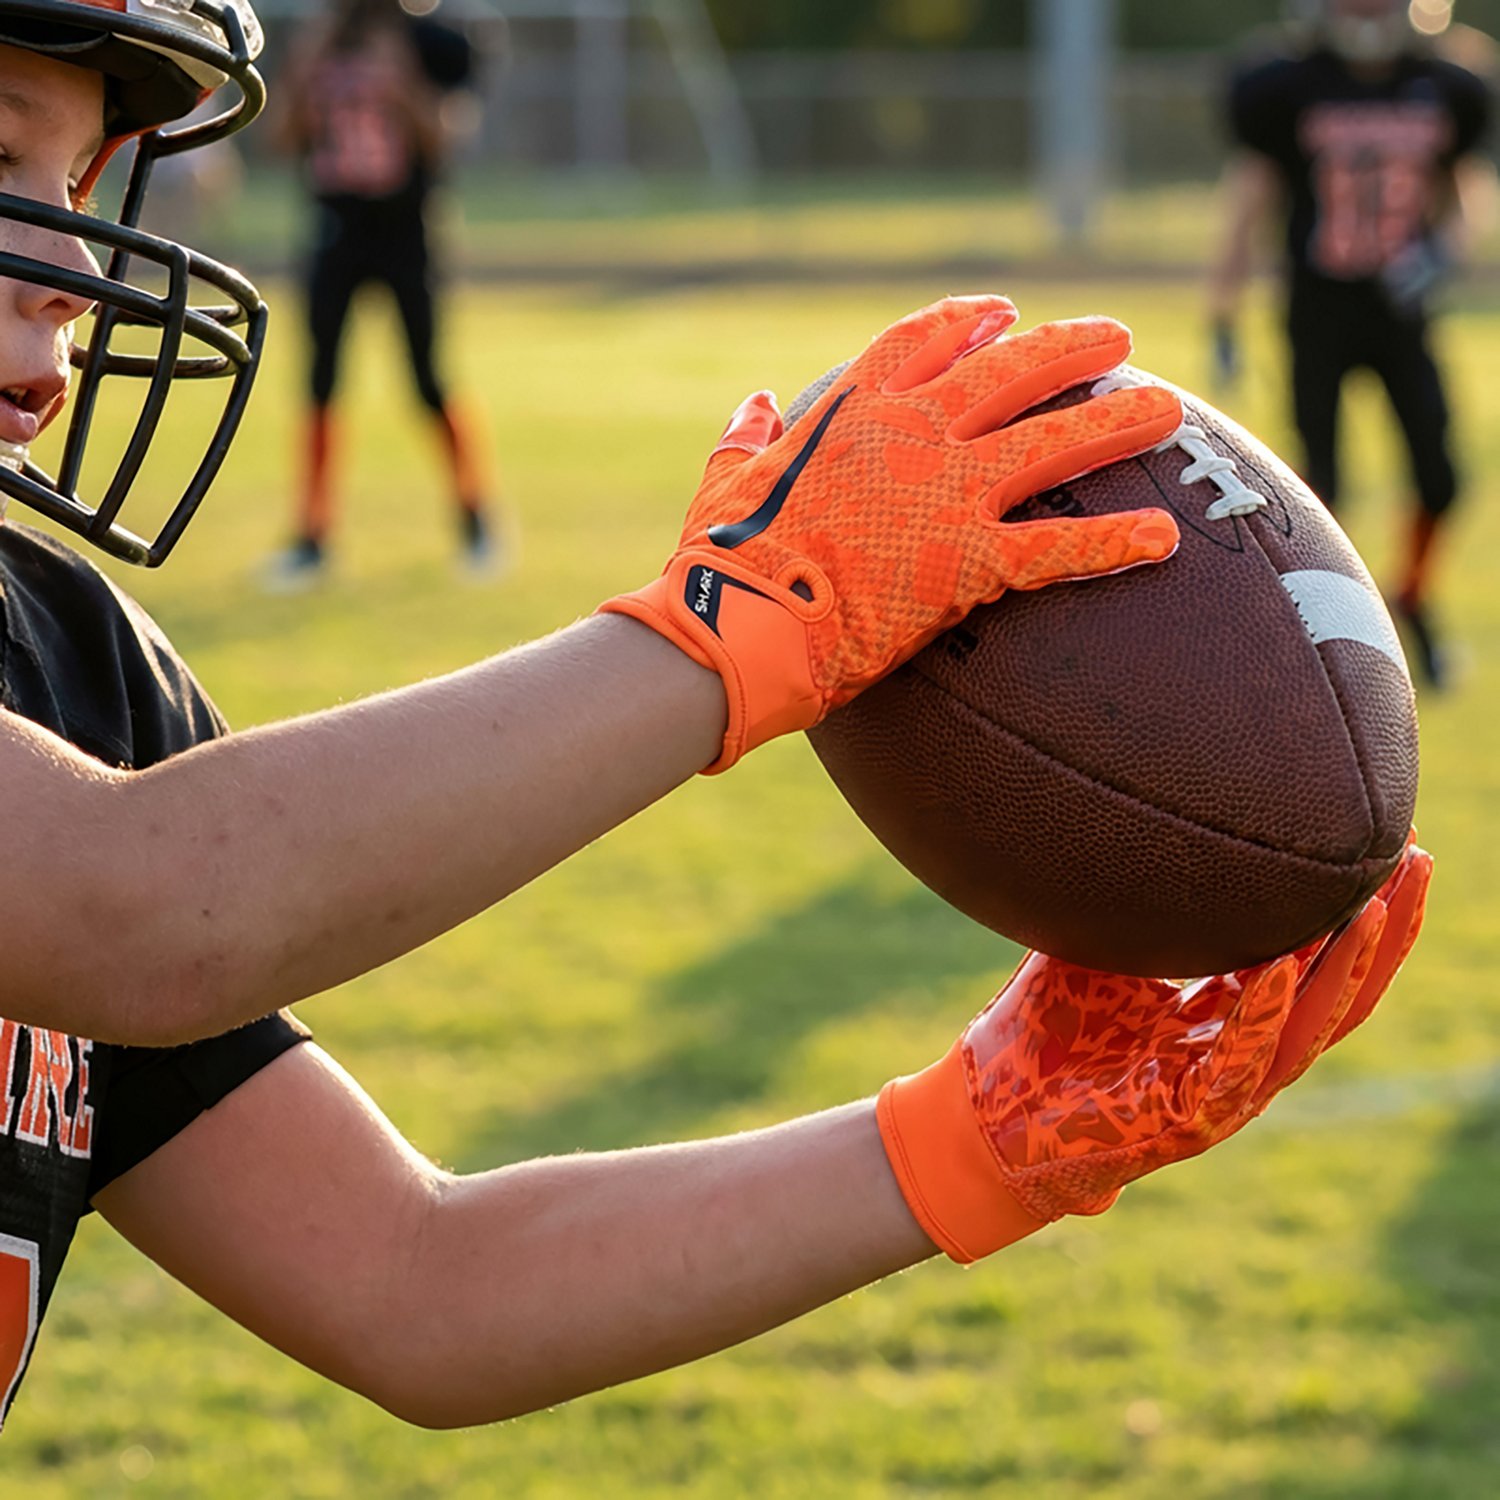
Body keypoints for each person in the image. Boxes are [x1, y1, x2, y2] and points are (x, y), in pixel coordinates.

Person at [0, 0, 1431, 1436]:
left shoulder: (70, 666)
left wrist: (976, 1139)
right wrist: (742, 624)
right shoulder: (118, 850)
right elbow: (139, 906)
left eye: (72, 186)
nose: (69, 266)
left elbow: (413, 1280)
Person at [1209, 0, 1493, 689]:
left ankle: (1416, 598)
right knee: (1319, 486)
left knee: (1439, 476)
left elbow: (1460, 191)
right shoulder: (1286, 85)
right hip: (1318, 310)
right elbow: (1252, 196)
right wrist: (1223, 311)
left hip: (1401, 312)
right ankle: (1332, 629)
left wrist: (1442, 252)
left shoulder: (1448, 80)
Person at [266, 0, 499, 586]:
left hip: (404, 235)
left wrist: (401, 82)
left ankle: (475, 517)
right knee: (320, 383)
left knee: (427, 379)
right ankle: (312, 534)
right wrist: (311, 58)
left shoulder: (424, 40)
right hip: (336, 229)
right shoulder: (324, 38)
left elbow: (442, 141)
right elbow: (283, 136)